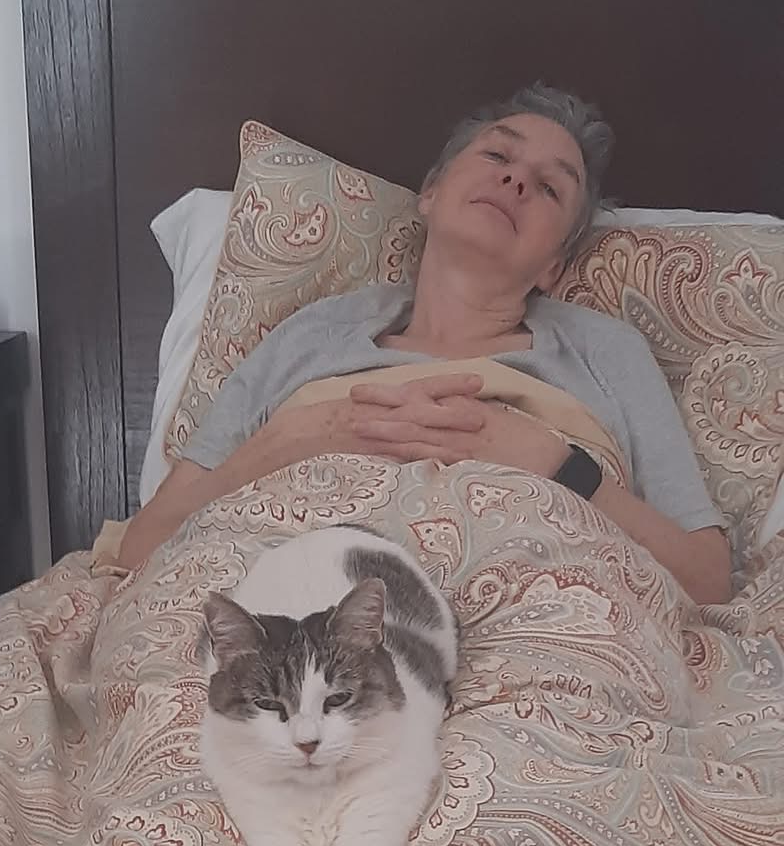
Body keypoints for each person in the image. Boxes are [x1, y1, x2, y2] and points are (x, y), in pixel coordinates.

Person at [118, 84, 731, 605]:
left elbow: (708, 580)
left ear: (555, 265)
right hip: (285, 625)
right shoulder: (312, 334)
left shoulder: (606, 352)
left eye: (550, 188)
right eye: (498, 154)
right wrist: (289, 442)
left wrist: (556, 465)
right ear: (431, 191)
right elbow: (141, 548)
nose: (517, 178)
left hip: (540, 624)